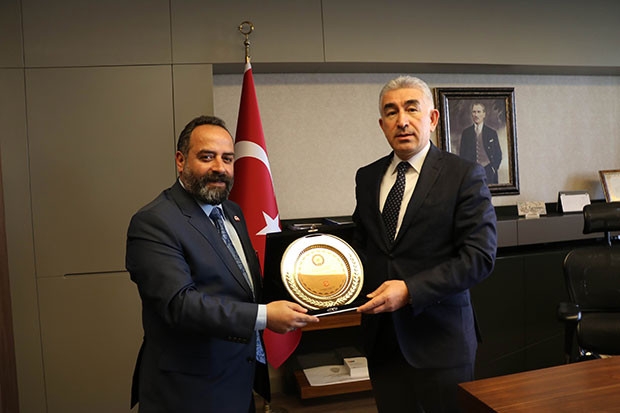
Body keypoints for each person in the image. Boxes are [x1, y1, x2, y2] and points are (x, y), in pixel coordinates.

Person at [126, 115, 319, 412]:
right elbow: (179, 305)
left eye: (227, 158)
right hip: (188, 392)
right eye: (207, 157)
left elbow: (243, 286)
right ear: (180, 161)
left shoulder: (232, 211)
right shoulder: (154, 222)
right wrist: (265, 316)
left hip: (237, 379)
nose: (220, 167)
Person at [353, 76, 497, 413]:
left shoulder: (464, 175)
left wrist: (409, 291)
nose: (401, 120)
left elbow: (479, 257)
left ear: (432, 119)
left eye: (411, 109)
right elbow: (362, 245)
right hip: (382, 343)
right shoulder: (367, 177)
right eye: (391, 112)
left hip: (441, 343)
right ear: (382, 124)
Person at [459, 102, 502, 184]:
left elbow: (498, 153)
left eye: (479, 112)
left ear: (484, 114)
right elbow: (462, 154)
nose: (476, 115)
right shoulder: (466, 133)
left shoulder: (491, 133)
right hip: (472, 172)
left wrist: (494, 168)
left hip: (489, 171)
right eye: (474, 112)